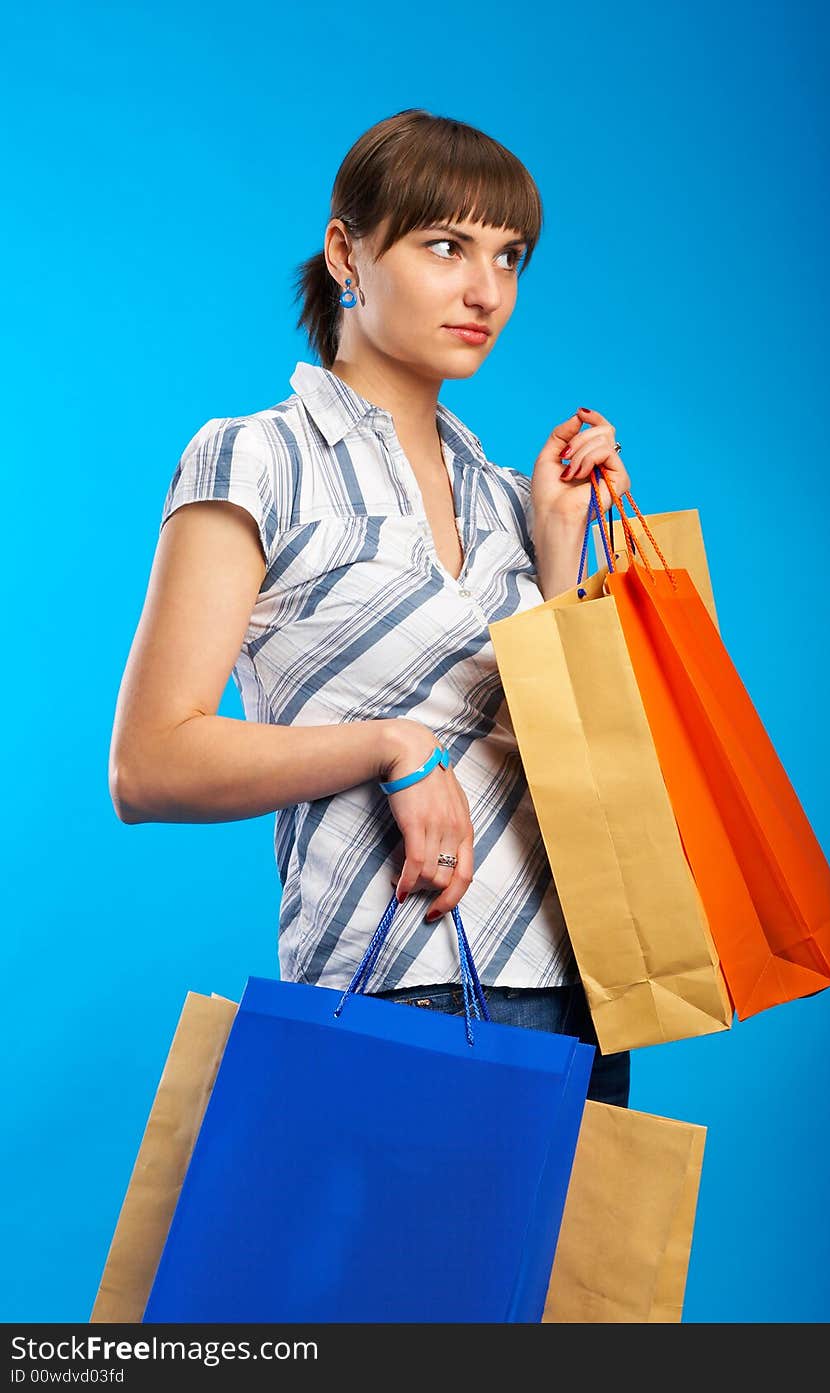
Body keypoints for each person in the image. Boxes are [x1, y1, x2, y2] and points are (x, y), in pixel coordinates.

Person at [109, 108, 632, 1108]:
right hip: (399, 985)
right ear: (347, 251)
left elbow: (562, 759)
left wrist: (558, 548)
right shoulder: (258, 456)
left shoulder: (502, 492)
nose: (487, 291)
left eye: (510, 257)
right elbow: (149, 762)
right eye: (447, 247)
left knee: (563, 1274)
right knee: (389, 1273)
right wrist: (390, 745)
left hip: (582, 990)